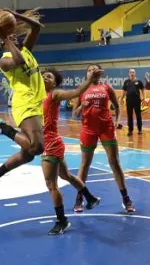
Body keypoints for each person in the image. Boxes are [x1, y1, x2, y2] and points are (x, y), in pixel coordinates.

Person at [0, 8, 46, 200]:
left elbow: (37, 27)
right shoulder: (4, 61)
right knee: (37, 147)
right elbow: (18, 59)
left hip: (37, 103)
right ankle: (0, 127)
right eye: (11, 37)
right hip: (24, 103)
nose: (15, 37)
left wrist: (15, 16)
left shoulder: (25, 50)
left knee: (27, 155)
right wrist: (6, 38)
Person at [37, 68, 103, 234]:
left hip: (51, 143)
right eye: (43, 75)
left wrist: (89, 79)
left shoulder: (55, 94)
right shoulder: (38, 96)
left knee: (51, 184)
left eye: (49, 76)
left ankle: (62, 221)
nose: (45, 77)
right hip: (50, 141)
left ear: (55, 83)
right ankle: (90, 197)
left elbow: (76, 92)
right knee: (65, 175)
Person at [72, 64, 135, 213]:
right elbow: (74, 114)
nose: (92, 71)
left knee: (114, 162)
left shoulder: (107, 87)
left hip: (106, 128)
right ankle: (79, 198)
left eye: (95, 69)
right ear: (86, 74)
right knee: (85, 164)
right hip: (88, 130)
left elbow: (117, 106)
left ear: (100, 73)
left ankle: (126, 199)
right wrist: (82, 107)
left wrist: (117, 121)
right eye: (89, 69)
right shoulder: (81, 89)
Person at [121, 68, 145, 136]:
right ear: (129, 73)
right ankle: (130, 130)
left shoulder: (139, 81)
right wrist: (122, 98)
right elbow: (124, 91)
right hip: (129, 100)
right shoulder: (126, 82)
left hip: (137, 100)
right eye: (131, 72)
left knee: (138, 115)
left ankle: (140, 129)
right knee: (129, 115)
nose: (132, 73)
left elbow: (143, 89)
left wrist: (144, 97)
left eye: (133, 72)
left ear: (135, 73)